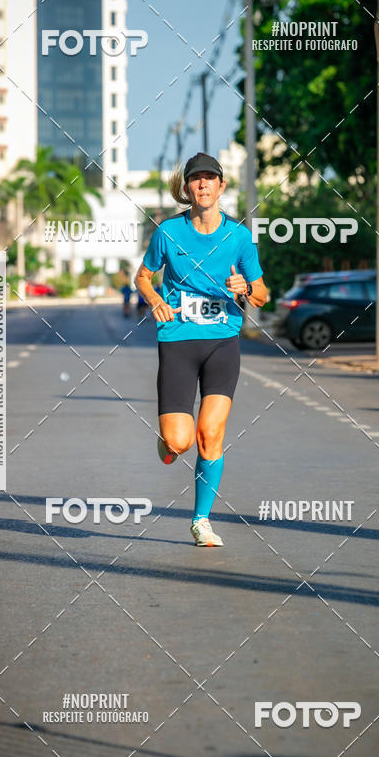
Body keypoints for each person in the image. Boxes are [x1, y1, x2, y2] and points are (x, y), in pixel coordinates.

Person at [134, 152, 267, 547]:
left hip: (223, 342)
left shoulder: (240, 238)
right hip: (177, 341)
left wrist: (246, 288)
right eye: (196, 180)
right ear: (187, 188)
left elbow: (262, 294)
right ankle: (169, 442)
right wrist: (154, 298)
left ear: (222, 186)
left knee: (211, 432)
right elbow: (142, 276)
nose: (204, 185)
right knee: (180, 440)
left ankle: (201, 520)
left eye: (211, 178)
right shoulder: (168, 233)